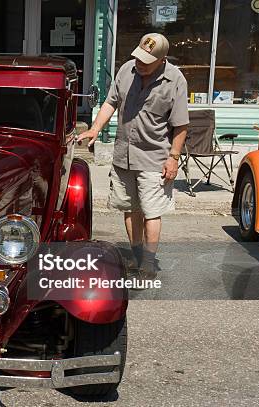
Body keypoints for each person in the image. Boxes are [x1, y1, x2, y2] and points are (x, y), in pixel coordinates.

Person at [77, 33, 189, 285]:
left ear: (162, 60)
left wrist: (174, 158)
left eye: (147, 61)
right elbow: (110, 102)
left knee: (151, 212)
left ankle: (148, 263)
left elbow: (181, 125)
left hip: (154, 157)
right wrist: (95, 128)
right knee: (129, 207)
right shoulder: (127, 70)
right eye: (138, 57)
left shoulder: (175, 80)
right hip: (123, 155)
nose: (140, 63)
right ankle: (137, 255)